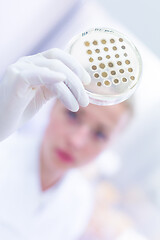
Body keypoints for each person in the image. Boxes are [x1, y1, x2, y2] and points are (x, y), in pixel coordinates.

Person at [0, 48, 132, 240]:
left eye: (100, 134)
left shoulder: (80, 203)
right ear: (53, 104)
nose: (76, 141)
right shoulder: (3, 149)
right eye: (72, 114)